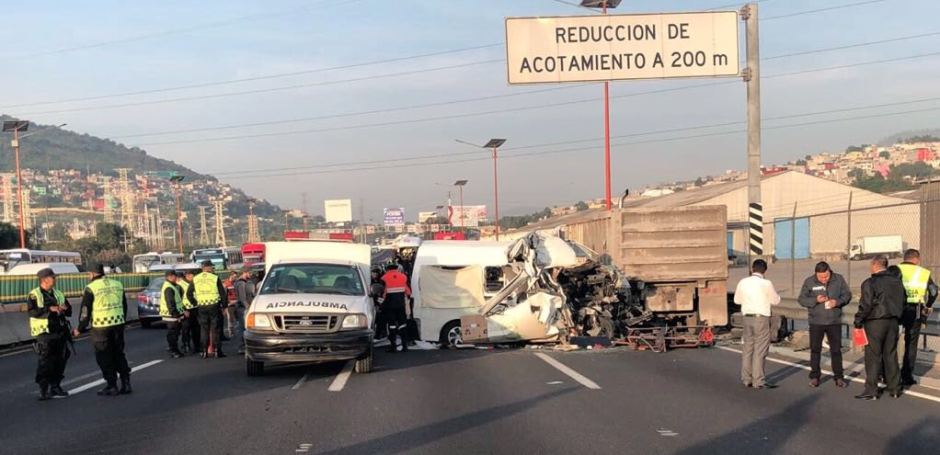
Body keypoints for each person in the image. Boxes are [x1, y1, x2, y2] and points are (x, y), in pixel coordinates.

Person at [74, 264, 131, 396]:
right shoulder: (117, 284)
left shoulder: (91, 288)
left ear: (92, 274)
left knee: (104, 355)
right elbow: (124, 305)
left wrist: (80, 328)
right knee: (118, 353)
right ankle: (126, 383)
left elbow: (85, 310)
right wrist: (122, 320)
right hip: (118, 323)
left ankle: (112, 385)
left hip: (101, 326)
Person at [854, 255, 906, 400]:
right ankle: (895, 388)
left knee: (873, 356)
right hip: (893, 322)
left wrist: (858, 322)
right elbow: (903, 301)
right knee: (891, 355)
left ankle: (871, 390)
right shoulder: (897, 282)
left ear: (874, 264)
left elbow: (866, 305)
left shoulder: (870, 283)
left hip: (875, 322)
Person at [797, 262, 852, 388]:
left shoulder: (839, 279)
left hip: (834, 321)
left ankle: (838, 377)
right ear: (816, 274)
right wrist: (815, 300)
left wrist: (837, 302)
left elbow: (847, 295)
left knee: (836, 350)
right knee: (815, 350)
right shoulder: (809, 281)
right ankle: (815, 376)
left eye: (826, 277)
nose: (823, 279)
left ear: (829, 271)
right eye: (821, 277)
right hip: (816, 322)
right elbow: (801, 299)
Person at [734, 259, 781, 389]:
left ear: (752, 269)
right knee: (760, 349)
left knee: (748, 348)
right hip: (761, 318)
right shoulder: (766, 283)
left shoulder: (743, 282)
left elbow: (737, 300)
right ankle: (758, 380)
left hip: (747, 317)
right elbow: (775, 300)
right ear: (764, 271)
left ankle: (746, 378)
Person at [28, 268, 72, 401]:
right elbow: (33, 312)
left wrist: (64, 309)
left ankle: (56, 386)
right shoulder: (35, 294)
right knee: (46, 361)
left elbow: (69, 310)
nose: (55, 279)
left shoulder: (58, 293)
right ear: (44, 280)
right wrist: (49, 309)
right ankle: (43, 389)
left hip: (59, 331)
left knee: (61, 358)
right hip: (44, 332)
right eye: (53, 277)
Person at [897, 249, 938, 386]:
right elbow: (933, 291)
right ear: (916, 259)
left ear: (905, 258)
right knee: (911, 344)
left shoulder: (894, 270)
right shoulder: (923, 273)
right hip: (915, 312)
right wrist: (929, 304)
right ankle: (907, 376)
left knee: (890, 342)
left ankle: (884, 374)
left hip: (896, 311)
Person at [187, 260, 229, 357]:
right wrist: (224, 305)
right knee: (215, 328)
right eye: (211, 267)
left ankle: (204, 351)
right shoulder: (214, 277)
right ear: (208, 267)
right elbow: (222, 293)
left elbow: (189, 294)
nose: (212, 269)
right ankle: (216, 351)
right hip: (214, 306)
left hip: (202, 306)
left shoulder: (196, 278)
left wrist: (195, 303)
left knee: (204, 329)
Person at [380, 263, 411, 353]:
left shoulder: (384, 278)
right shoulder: (403, 277)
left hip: (389, 307)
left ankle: (393, 346)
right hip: (401, 306)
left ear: (387, 269)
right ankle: (405, 346)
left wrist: (379, 305)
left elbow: (383, 294)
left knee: (392, 326)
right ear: (397, 268)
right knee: (402, 325)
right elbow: (408, 292)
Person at [159, 269, 186, 359]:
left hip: (173, 315)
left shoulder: (171, 286)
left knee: (175, 333)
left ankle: (174, 349)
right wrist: (176, 315)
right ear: (170, 277)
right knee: (173, 334)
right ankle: (173, 350)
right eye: (175, 276)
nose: (176, 278)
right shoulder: (169, 288)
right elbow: (170, 303)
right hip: (171, 315)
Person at [232, 268, 255, 355]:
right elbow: (242, 297)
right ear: (245, 273)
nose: (251, 275)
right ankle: (242, 347)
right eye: (250, 272)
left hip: (240, 307)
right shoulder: (241, 283)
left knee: (242, 327)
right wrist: (247, 306)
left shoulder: (238, 282)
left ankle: (242, 346)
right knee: (243, 327)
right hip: (242, 308)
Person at [178, 268, 201, 355]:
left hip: (195, 308)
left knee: (196, 328)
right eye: (193, 275)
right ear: (188, 275)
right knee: (186, 329)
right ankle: (186, 345)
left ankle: (197, 346)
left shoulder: (194, 283)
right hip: (186, 310)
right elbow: (178, 299)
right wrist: (183, 310)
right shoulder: (180, 285)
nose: (195, 277)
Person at [369, 267, 387, 340]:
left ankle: (380, 333)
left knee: (380, 318)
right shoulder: (368, 280)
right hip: (369, 300)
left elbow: (383, 293)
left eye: (377, 272)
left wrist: (379, 304)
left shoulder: (381, 281)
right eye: (373, 272)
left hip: (379, 301)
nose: (375, 274)